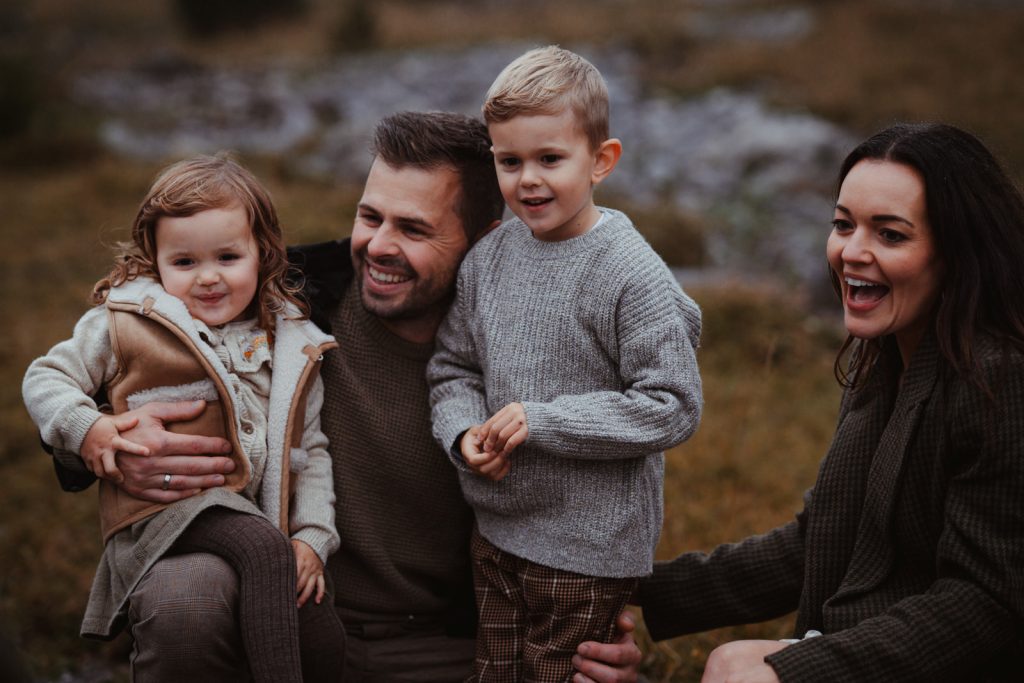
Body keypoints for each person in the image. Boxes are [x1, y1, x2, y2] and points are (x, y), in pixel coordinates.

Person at [46, 112, 643, 682]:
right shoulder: (283, 295)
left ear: (484, 241)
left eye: (413, 229)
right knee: (186, 604)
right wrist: (114, 441)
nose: (378, 246)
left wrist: (602, 626)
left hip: (440, 644)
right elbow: (86, 384)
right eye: (370, 216)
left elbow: (591, 500)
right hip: (277, 605)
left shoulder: (528, 353)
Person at [630, 123, 1024, 682]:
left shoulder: (1000, 380)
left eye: (890, 235)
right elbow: (819, 541)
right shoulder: (885, 363)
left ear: (957, 250)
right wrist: (632, 586)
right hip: (877, 640)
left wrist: (801, 671)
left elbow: (985, 603)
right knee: (725, 662)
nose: (851, 252)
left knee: (743, 670)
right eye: (843, 225)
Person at [426, 46, 703, 681]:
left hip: (589, 549)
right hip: (495, 533)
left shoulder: (630, 274)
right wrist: (463, 434)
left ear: (601, 160)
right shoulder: (489, 259)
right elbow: (453, 369)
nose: (528, 180)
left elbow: (674, 404)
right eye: (509, 161)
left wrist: (545, 422)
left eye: (551, 159)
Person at [23, 154, 345, 683]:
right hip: (161, 516)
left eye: (227, 256)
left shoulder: (292, 343)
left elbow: (309, 452)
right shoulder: (128, 322)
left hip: (253, 520)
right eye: (185, 262)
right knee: (264, 547)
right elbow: (43, 377)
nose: (209, 278)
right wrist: (90, 429)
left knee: (315, 616)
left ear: (263, 252)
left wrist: (312, 535)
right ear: (154, 259)